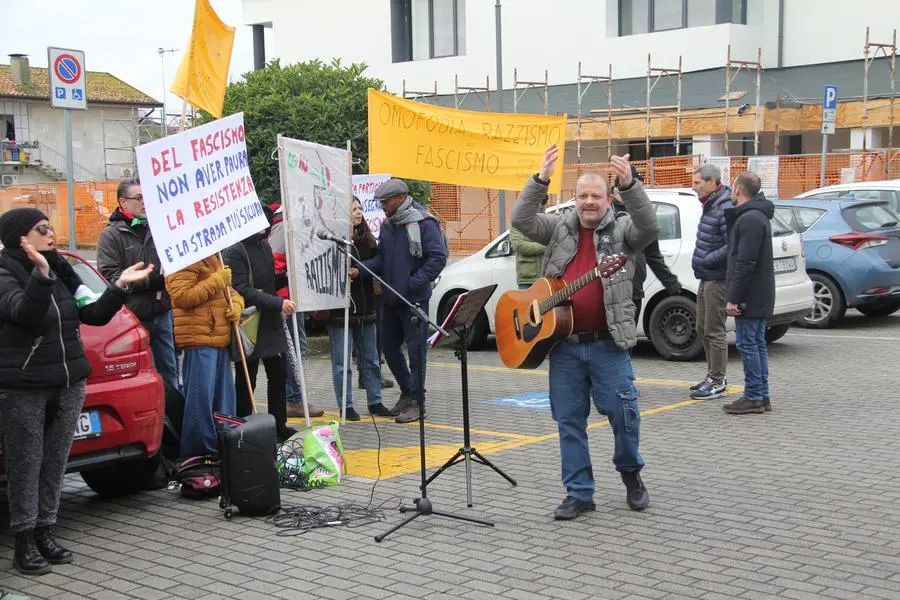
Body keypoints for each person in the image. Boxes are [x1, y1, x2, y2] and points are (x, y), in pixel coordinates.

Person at [511, 145, 660, 520]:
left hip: (609, 346)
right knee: (568, 422)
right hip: (564, 347)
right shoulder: (558, 227)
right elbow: (521, 219)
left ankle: (631, 475)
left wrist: (631, 185)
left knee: (624, 417)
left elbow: (650, 227)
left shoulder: (623, 229)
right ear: (574, 199)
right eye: (582, 196)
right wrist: (540, 180)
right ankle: (579, 493)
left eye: (596, 196)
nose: (589, 202)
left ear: (608, 199)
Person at [0, 208, 152, 575]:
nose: (52, 233)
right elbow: (24, 314)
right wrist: (39, 275)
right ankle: (23, 541)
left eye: (51, 225)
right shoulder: (6, 272)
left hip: (70, 381)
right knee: (26, 464)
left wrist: (120, 287)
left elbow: (96, 314)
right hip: (25, 385)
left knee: (54, 462)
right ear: (22, 237)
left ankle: (44, 531)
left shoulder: (62, 269)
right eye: (42, 228)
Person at [362, 178, 448, 424]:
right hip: (390, 299)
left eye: (386, 202)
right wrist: (361, 270)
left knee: (416, 352)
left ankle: (417, 402)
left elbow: (438, 258)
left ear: (400, 198)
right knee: (389, 348)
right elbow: (381, 259)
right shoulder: (389, 225)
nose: (382, 207)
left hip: (414, 300)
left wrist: (413, 283)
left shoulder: (424, 222)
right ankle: (407, 391)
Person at [97, 179, 180, 392]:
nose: (145, 203)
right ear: (123, 203)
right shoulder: (111, 235)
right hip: (132, 318)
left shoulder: (159, 228)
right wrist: (150, 280)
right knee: (140, 376)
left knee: (169, 373)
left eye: (147, 198)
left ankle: (172, 420)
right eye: (139, 198)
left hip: (162, 313)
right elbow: (111, 276)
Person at [224, 209, 297, 441]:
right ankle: (242, 424)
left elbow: (268, 282)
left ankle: (279, 425)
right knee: (248, 378)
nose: (265, 227)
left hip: (271, 321)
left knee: (279, 375)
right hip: (250, 323)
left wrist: (287, 276)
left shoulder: (264, 245)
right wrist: (277, 302)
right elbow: (242, 289)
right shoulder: (235, 251)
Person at [165, 255, 243, 459]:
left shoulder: (213, 256)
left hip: (219, 338)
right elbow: (182, 297)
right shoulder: (180, 259)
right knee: (201, 402)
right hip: (198, 339)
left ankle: (225, 446)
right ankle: (200, 454)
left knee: (223, 400)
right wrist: (217, 279)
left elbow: (231, 292)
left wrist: (236, 305)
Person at [326, 196, 390, 421]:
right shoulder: (333, 239)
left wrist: (359, 271)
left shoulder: (367, 239)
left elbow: (378, 262)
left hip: (366, 308)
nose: (358, 212)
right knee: (343, 364)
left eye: (359, 208)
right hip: (339, 311)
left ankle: (376, 401)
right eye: (352, 208)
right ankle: (346, 405)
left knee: (371, 359)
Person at [723, 172, 775, 415]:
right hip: (758, 292)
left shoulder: (750, 219)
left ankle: (754, 395)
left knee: (748, 344)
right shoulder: (756, 216)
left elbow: (745, 261)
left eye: (733, 187)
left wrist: (733, 297)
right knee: (756, 343)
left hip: (751, 295)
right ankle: (761, 395)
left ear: (738, 190)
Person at [268, 204, 324, 418]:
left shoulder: (292, 222)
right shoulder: (284, 225)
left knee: (297, 346)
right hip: (286, 298)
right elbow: (276, 262)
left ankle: (295, 397)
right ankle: (294, 399)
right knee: (293, 348)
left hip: (294, 295)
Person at [612, 168, 682, 324]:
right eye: (634, 189)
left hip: (634, 289)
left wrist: (670, 282)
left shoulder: (643, 218)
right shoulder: (605, 213)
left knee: (628, 340)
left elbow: (652, 254)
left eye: (639, 190)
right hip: (610, 290)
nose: (638, 194)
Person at [689, 164, 733, 400]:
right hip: (706, 275)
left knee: (714, 330)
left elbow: (731, 245)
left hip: (717, 276)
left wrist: (708, 259)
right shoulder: (711, 205)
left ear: (712, 182)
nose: (694, 187)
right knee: (702, 327)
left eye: (697, 183)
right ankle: (712, 375)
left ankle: (718, 380)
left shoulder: (724, 206)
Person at [510, 198, 548, 290]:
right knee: (526, 304)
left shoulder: (547, 220)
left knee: (548, 304)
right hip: (527, 278)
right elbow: (520, 246)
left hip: (548, 277)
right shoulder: (517, 223)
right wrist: (546, 246)